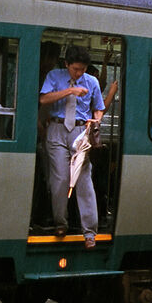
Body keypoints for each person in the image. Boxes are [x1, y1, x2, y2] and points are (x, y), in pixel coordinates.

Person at [39, 46, 105, 247]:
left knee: (84, 179)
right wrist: (70, 90)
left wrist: (95, 121)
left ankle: (89, 232)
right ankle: (61, 222)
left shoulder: (92, 81)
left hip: (80, 131)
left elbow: (99, 108)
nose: (79, 73)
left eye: (83, 69)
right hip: (57, 128)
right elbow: (43, 99)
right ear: (66, 64)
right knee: (59, 178)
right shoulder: (54, 76)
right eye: (76, 69)